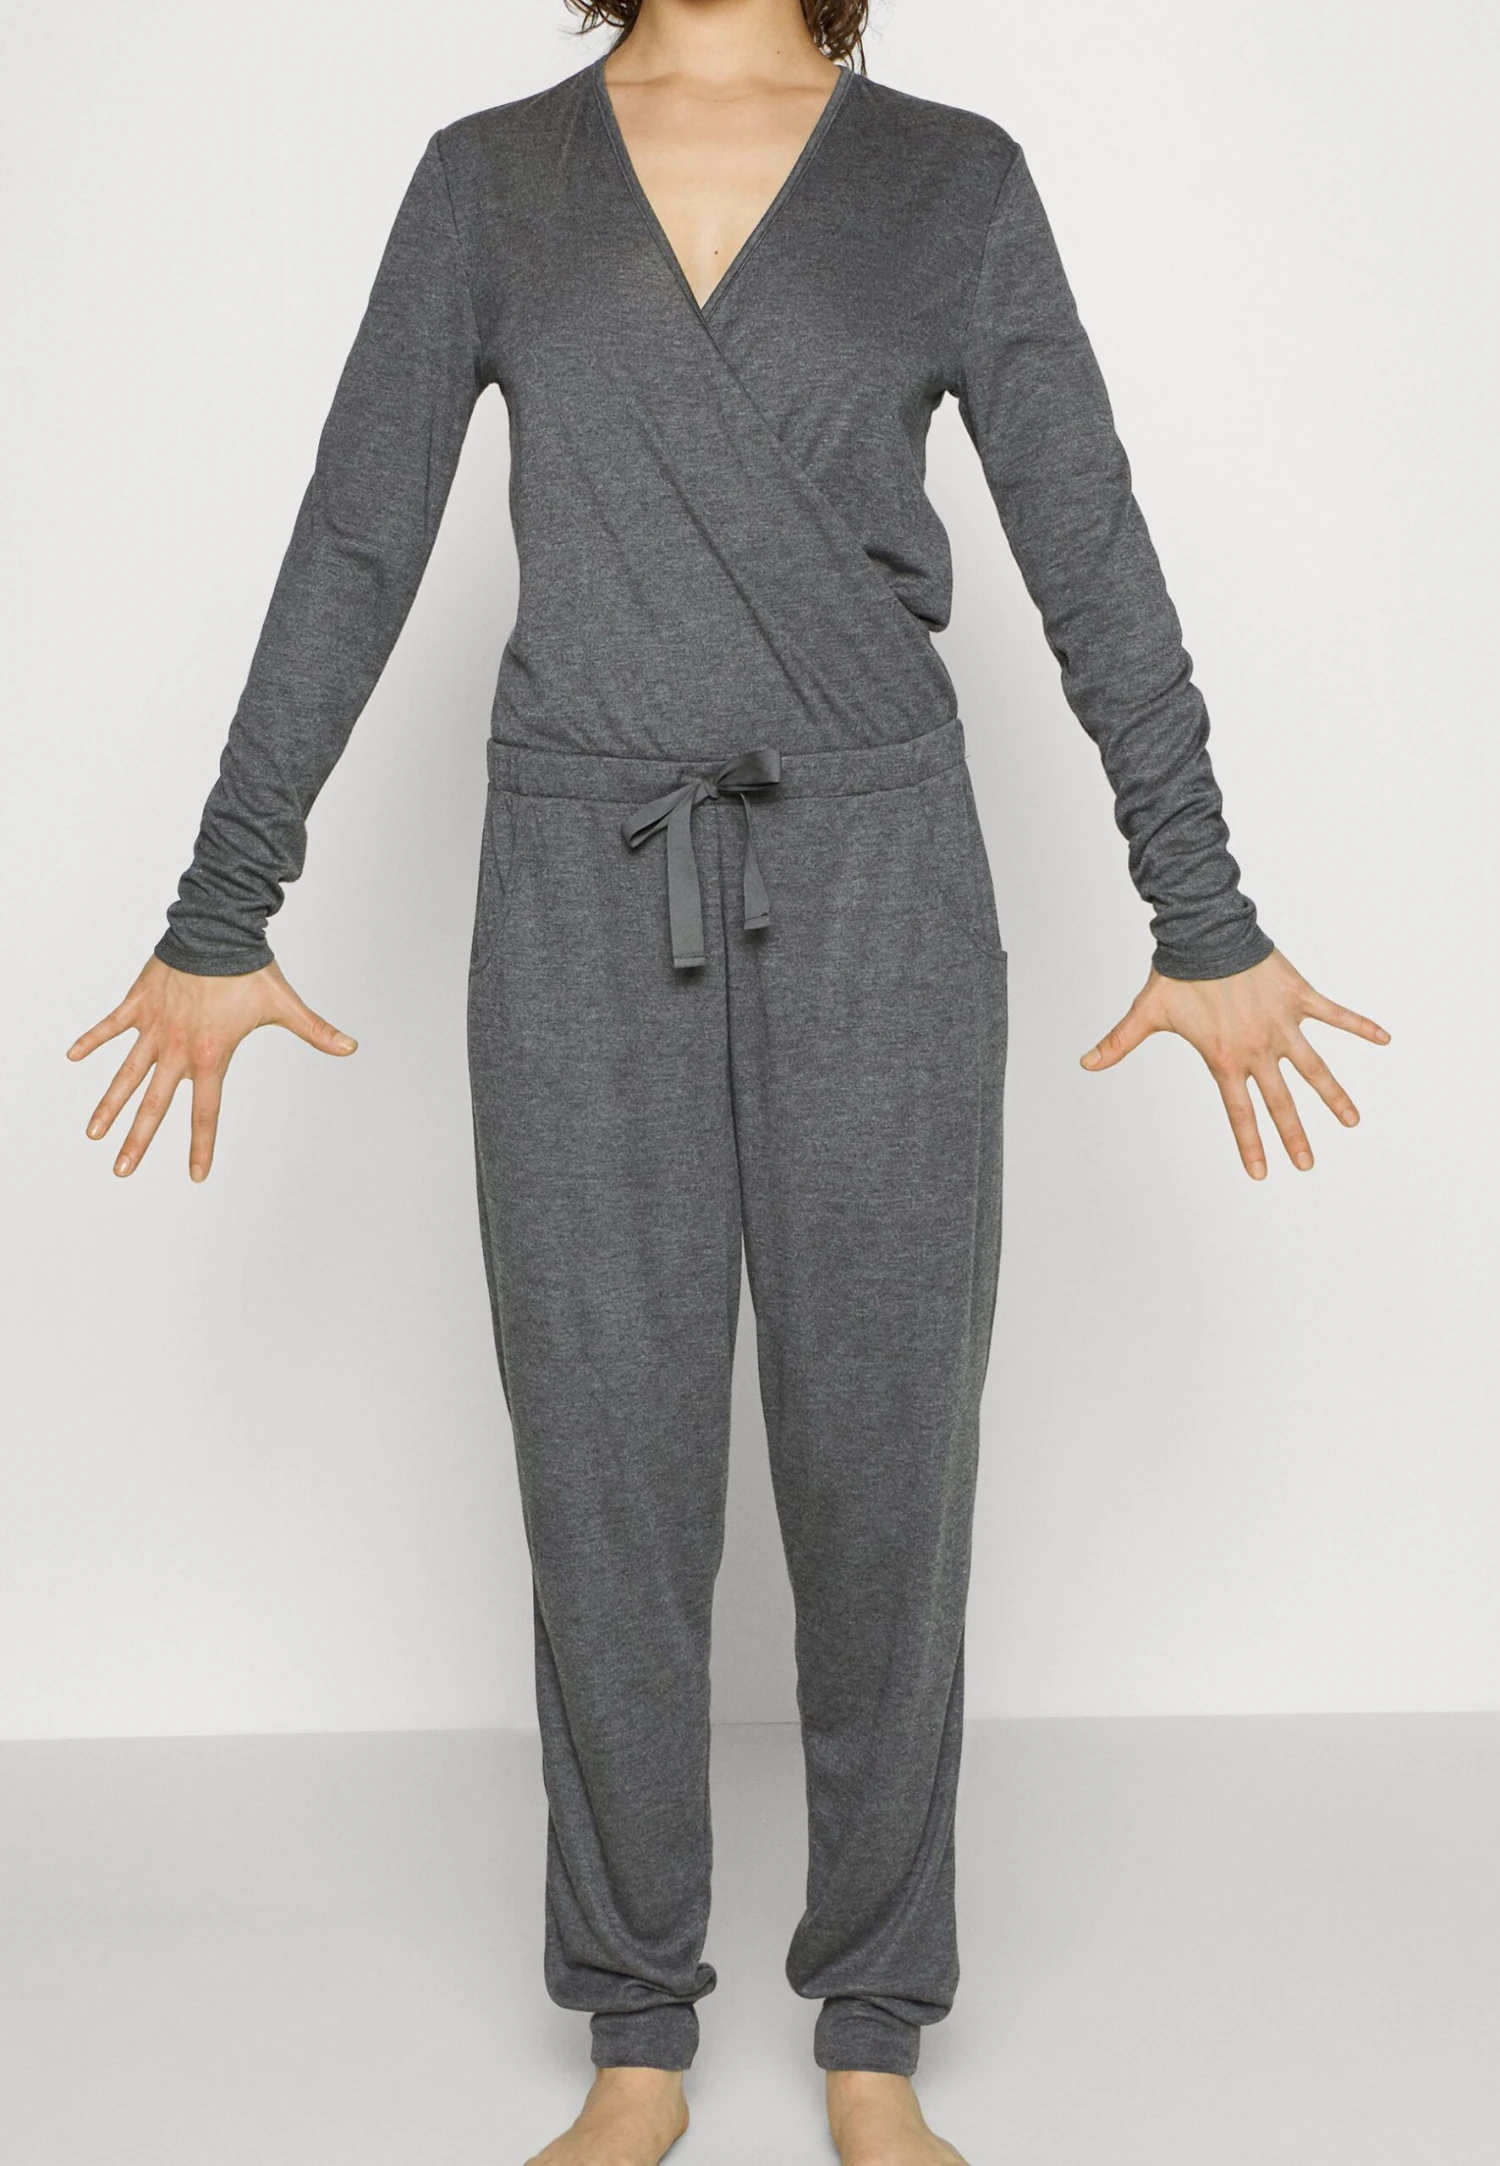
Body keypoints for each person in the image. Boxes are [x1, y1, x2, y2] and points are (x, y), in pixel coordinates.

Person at [67, 1, 1390, 2160]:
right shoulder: (490, 180)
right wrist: (226, 902)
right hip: (581, 867)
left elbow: (1090, 540)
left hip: (879, 865)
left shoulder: (950, 179)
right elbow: (356, 538)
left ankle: (874, 2022)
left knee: (889, 1459)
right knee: (605, 1457)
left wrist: (1205, 908)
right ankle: (637, 2037)